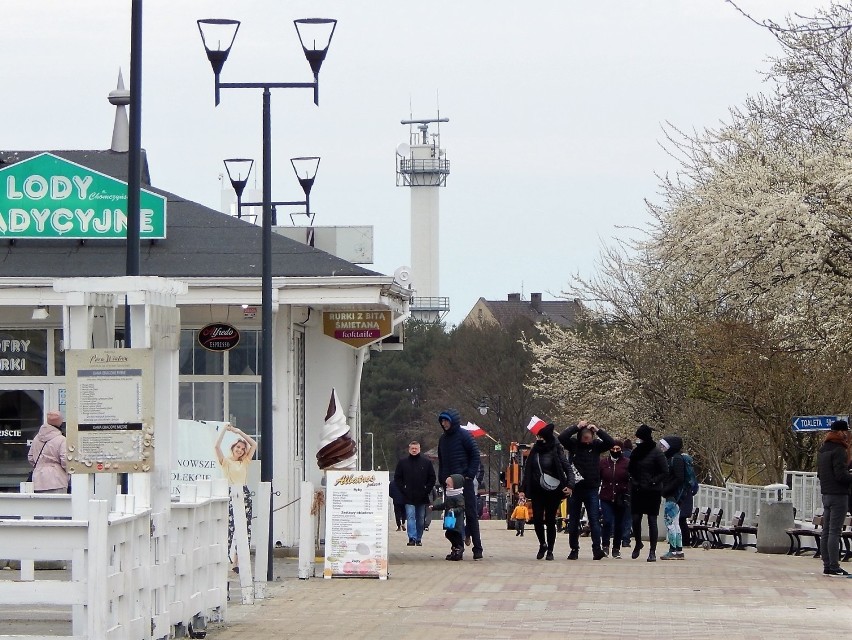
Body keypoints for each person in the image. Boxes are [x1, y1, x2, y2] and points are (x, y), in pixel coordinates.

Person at [558, 419, 614, 560]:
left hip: (592, 488)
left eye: (589, 439)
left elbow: (610, 442)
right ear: (580, 437)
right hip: (576, 488)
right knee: (574, 520)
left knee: (594, 520)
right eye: (585, 439)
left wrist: (597, 430)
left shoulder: (596, 446)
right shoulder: (574, 445)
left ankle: (597, 549)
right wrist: (576, 427)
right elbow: (562, 437)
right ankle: (574, 549)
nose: (587, 442)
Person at [520, 422, 575, 560]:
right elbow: (527, 470)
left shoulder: (556, 450)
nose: (539, 440)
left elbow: (567, 468)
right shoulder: (535, 451)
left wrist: (570, 485)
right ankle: (542, 544)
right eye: (538, 437)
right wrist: (522, 489)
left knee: (550, 520)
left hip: (553, 491)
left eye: (541, 437)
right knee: (537, 519)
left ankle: (550, 549)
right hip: (537, 490)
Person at [437, 409, 484, 560]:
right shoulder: (443, 439)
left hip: (464, 482)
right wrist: (441, 478)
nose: (444, 424)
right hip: (449, 484)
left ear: (453, 421)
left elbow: (475, 455)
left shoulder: (464, 436)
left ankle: (477, 548)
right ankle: (457, 547)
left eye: (446, 421)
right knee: (452, 516)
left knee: (470, 514)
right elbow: (442, 461)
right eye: (442, 421)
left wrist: (469, 475)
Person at [214, 422, 257, 566]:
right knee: (230, 525)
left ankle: (238, 562)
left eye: (243, 449)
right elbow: (216, 447)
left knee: (245, 527)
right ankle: (225, 558)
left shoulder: (244, 462)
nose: (240, 450)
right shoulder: (225, 461)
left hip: (244, 493)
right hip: (231, 492)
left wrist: (239, 432)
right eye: (238, 447)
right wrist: (224, 431)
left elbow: (254, 444)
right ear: (233, 447)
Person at [627, 423, 668, 562]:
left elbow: (664, 471)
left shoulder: (657, 452)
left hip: (652, 491)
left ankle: (652, 551)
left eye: (640, 438)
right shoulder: (636, 452)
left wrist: (654, 481)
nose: (638, 441)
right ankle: (638, 542)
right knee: (636, 518)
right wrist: (634, 480)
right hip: (638, 489)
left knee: (652, 520)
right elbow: (630, 468)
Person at [816, 419, 852, 576]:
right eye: (846, 431)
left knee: (826, 531)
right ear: (840, 432)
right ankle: (834, 566)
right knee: (835, 532)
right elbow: (841, 476)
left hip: (826, 495)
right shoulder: (839, 450)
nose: (847, 434)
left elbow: (820, 474)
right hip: (839, 495)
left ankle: (827, 565)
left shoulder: (823, 450)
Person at [394, 440, 437, 547]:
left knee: (421, 519)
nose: (414, 450)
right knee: (410, 517)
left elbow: (432, 478)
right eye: (412, 448)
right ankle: (412, 538)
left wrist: (426, 489)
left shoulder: (426, 463)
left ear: (419, 449)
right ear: (409, 449)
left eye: (416, 448)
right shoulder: (403, 462)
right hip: (408, 496)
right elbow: (397, 478)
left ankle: (418, 538)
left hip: (422, 496)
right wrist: (403, 489)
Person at [599, 439, 630, 559]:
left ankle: (616, 548)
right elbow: (598, 477)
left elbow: (631, 478)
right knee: (607, 521)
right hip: (606, 496)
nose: (615, 451)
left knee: (619, 524)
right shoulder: (603, 462)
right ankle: (605, 545)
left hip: (621, 497)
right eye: (613, 449)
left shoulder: (627, 463)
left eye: (618, 449)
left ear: (621, 450)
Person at [27, 410, 69, 493]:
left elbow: (30, 457)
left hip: (38, 480)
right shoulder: (62, 439)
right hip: (57, 480)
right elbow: (65, 461)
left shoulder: (36, 438)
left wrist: (40, 466)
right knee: (58, 505)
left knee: (41, 505)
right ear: (60, 422)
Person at [659, 436, 686, 560]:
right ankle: (679, 550)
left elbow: (679, 478)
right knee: (675, 523)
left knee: (669, 522)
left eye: (664, 446)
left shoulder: (676, 459)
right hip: (676, 496)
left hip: (673, 496)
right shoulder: (676, 458)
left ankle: (673, 550)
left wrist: (666, 490)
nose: (661, 448)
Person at [430, 474, 467, 561]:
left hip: (456, 521)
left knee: (455, 535)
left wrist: (454, 510)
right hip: (450, 520)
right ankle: (455, 549)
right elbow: (444, 505)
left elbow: (461, 508)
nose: (446, 486)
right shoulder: (450, 496)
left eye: (448, 485)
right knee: (449, 534)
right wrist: (434, 507)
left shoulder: (458, 496)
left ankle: (459, 548)